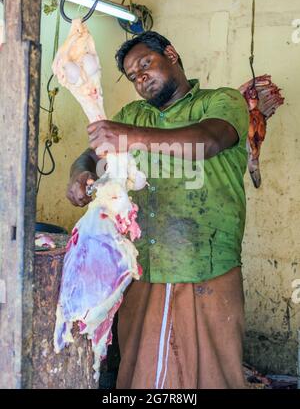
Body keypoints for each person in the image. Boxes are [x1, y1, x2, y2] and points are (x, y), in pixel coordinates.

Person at [66, 31, 250, 389]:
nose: (141, 79)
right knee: (142, 373)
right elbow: (91, 153)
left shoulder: (220, 102)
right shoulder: (134, 114)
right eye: (133, 77)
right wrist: (80, 173)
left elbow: (208, 140)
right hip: (143, 265)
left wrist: (129, 136)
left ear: (171, 53)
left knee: (214, 374)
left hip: (205, 264)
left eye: (145, 65)